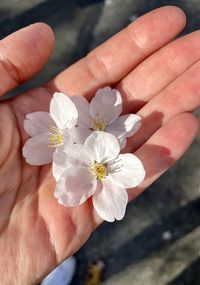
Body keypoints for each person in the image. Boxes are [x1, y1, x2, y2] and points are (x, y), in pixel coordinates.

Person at [0, 5, 199, 284]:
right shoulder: (73, 148)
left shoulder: (96, 143)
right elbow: (75, 146)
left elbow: (99, 142)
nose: (100, 172)